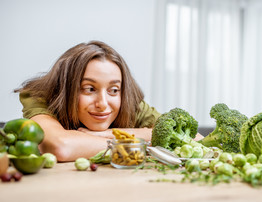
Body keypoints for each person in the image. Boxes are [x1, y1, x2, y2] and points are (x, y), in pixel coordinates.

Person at [15, 40, 161, 162]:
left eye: (114, 90)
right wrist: (134, 144)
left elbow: (171, 135)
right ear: (66, 88)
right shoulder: (40, 97)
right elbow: (61, 146)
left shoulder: (128, 102)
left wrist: (109, 134)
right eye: (89, 89)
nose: (103, 103)